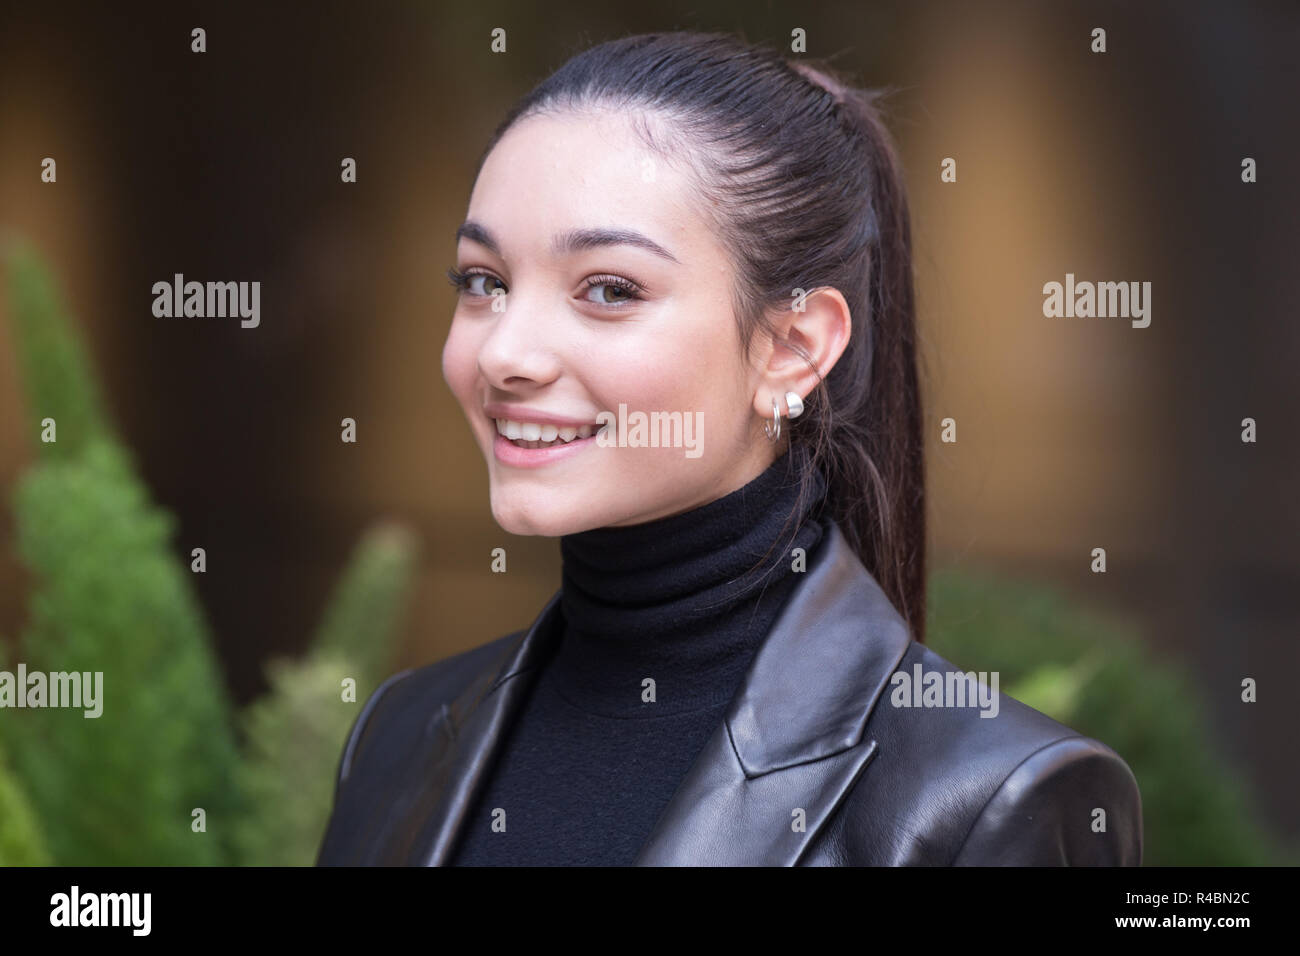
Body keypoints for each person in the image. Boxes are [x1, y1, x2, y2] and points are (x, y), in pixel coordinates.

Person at [316, 30, 1142, 866]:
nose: (503, 354)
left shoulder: (989, 797)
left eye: (609, 289)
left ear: (791, 346)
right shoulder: (397, 734)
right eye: (483, 281)